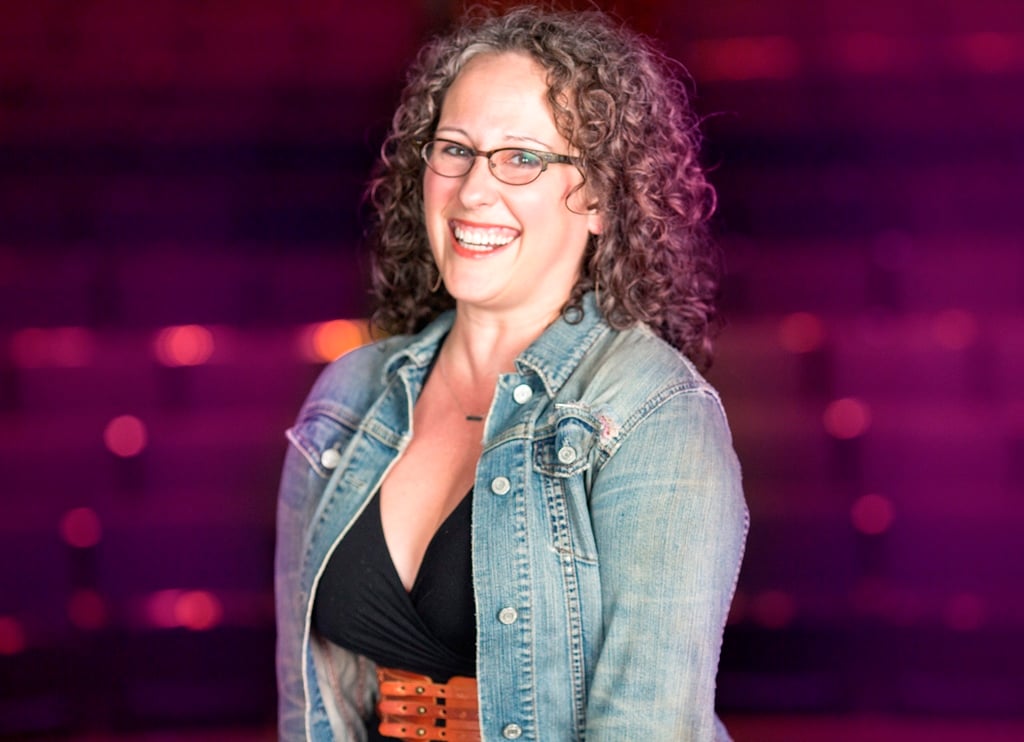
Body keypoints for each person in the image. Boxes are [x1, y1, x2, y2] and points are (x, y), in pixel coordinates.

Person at [275, 5, 748, 740]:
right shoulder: (346, 396)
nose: (472, 192)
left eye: (522, 158)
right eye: (455, 149)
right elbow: (309, 709)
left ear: (597, 196)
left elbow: (650, 728)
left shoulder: (657, 410)